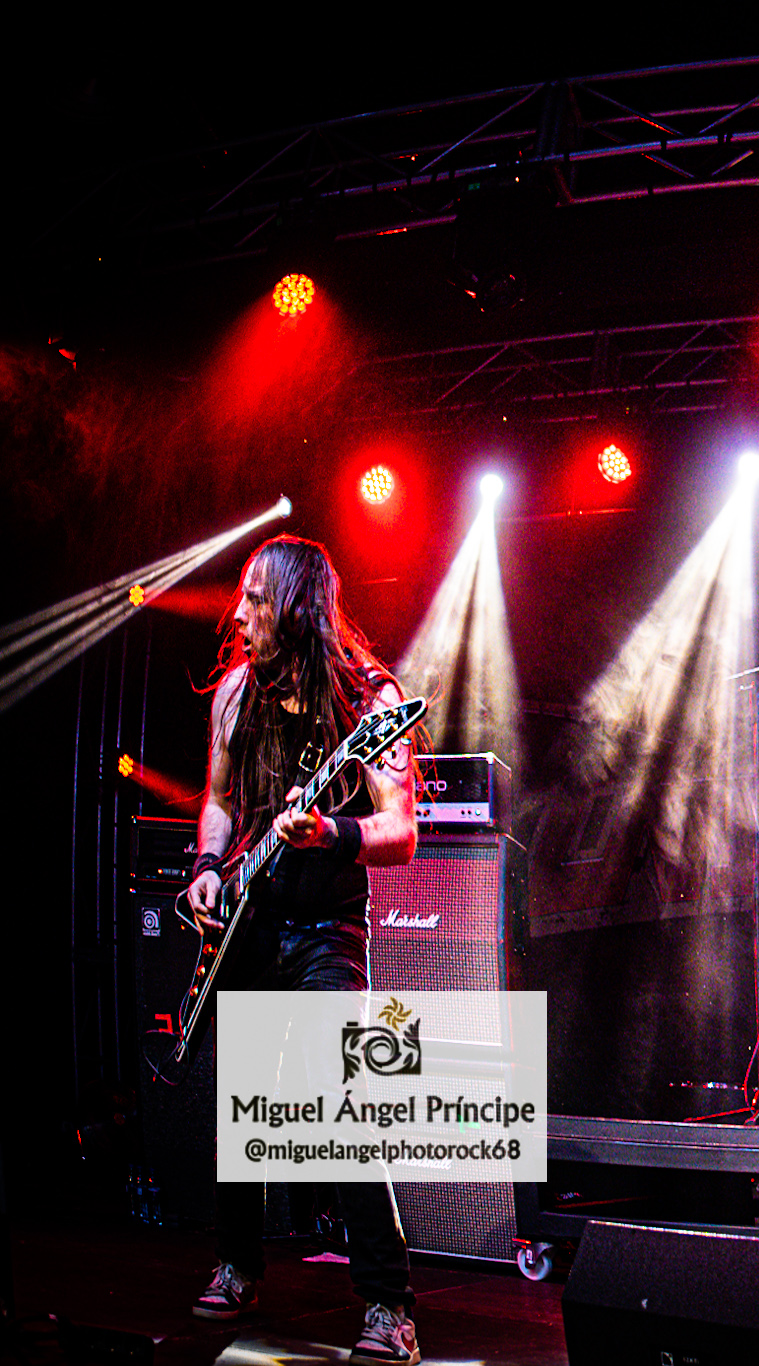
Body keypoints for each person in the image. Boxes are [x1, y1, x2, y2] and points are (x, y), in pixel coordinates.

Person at [183, 535, 424, 1365]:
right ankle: (238, 1266)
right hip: (251, 919)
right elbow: (219, 798)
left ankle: (390, 1306)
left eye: (255, 597)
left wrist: (330, 832)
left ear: (291, 607)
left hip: (327, 927)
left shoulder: (368, 700)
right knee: (240, 1100)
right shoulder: (235, 694)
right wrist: (208, 866)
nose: (239, 613)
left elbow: (401, 832)